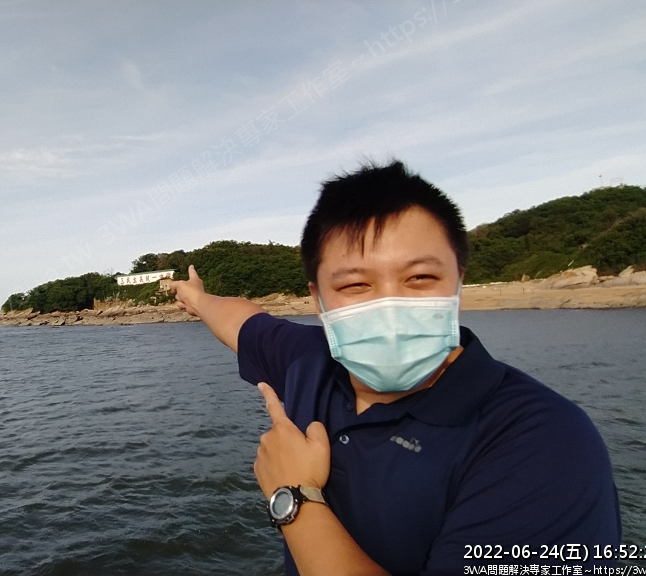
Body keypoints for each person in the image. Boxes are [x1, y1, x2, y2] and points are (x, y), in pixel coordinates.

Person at [170, 160, 620, 576]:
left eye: (420, 278)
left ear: (458, 282)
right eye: (355, 285)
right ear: (318, 299)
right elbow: (242, 320)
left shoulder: (546, 442)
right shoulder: (308, 359)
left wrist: (294, 497)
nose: (389, 306)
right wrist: (196, 298)